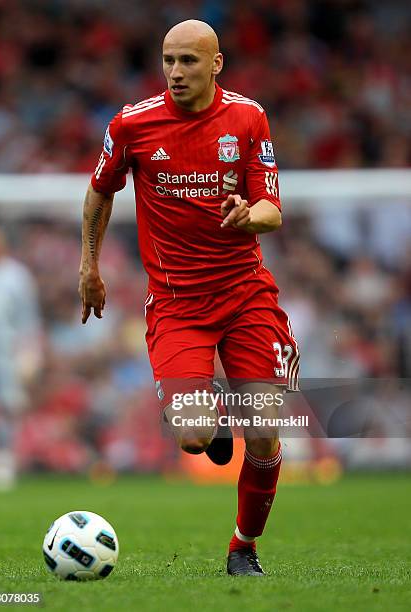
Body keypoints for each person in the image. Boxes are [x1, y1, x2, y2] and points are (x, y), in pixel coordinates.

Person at [79, 19, 299, 576]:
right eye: (168, 61)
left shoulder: (248, 118)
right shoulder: (133, 124)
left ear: (216, 63)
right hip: (177, 307)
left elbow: (272, 207)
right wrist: (89, 265)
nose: (176, 72)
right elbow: (100, 190)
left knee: (267, 427)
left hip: (245, 294)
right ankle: (215, 417)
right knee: (195, 436)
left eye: (189, 61)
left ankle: (243, 547)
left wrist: (250, 215)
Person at [0, 222, 41, 489]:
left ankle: (3, 458)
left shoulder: (16, 276)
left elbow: (28, 318)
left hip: (7, 349)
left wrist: (30, 352)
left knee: (8, 406)